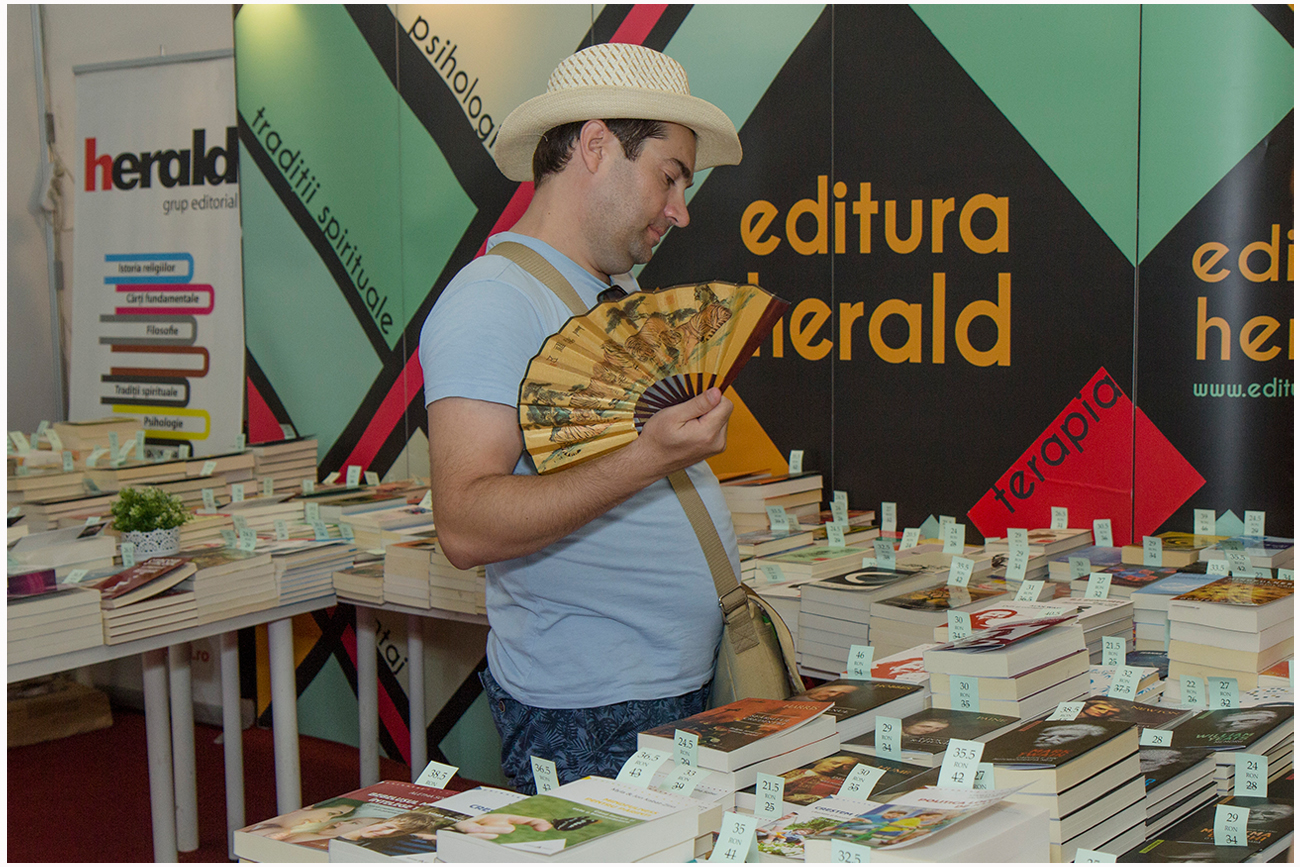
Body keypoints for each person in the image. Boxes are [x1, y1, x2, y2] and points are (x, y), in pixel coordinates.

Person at [420, 41, 744, 793]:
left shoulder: (611, 296)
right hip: (591, 713)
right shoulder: (494, 300)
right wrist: (650, 456)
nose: (681, 211)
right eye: (669, 176)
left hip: (666, 689)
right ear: (595, 147)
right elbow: (465, 524)